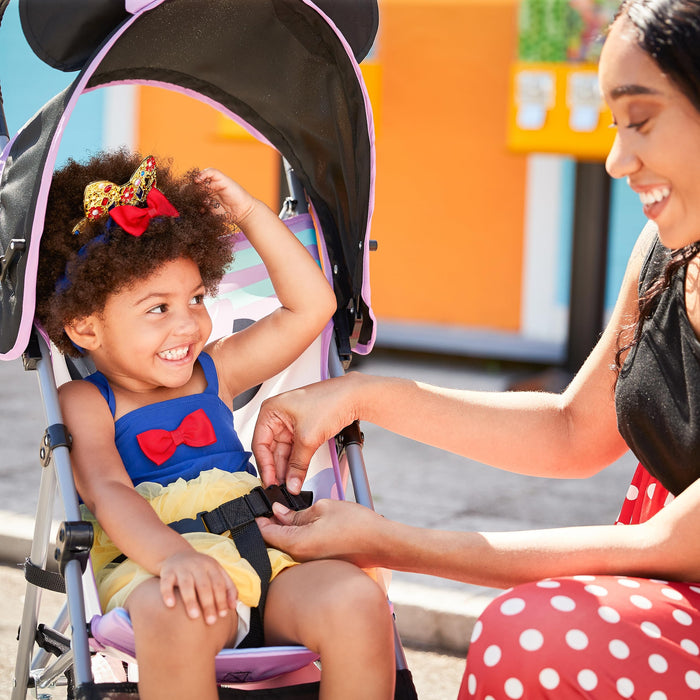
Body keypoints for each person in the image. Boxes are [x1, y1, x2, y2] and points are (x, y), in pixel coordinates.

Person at [254, 1, 700, 697]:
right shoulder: (665, 251)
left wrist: (386, 540)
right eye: (613, 127)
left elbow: (671, 544)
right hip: (667, 595)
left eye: (640, 121)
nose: (617, 160)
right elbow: (572, 430)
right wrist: (356, 394)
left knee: (533, 634)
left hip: (670, 579)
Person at [35, 150, 395, 700]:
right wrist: (175, 557)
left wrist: (249, 214)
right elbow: (108, 492)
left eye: (197, 298)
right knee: (174, 616)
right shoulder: (86, 400)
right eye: (158, 309)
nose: (189, 323)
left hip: (265, 554)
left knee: (357, 598)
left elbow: (313, 306)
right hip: (158, 567)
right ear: (85, 327)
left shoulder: (216, 371)